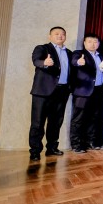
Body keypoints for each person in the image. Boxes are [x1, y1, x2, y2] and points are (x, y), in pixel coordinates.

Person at [28, 26, 73, 161]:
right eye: (56, 34)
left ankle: (52, 148)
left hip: (62, 91)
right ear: (50, 36)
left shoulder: (69, 53)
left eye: (62, 34)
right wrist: (45, 62)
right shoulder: (42, 48)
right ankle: (35, 151)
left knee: (56, 122)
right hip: (43, 92)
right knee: (38, 123)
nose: (60, 36)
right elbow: (36, 60)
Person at [69, 33, 103, 153]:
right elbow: (74, 61)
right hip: (83, 92)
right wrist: (78, 62)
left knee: (94, 118)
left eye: (95, 42)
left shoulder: (101, 56)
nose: (93, 44)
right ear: (84, 43)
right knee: (78, 119)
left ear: (98, 44)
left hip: (98, 91)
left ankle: (91, 142)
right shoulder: (79, 53)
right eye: (89, 41)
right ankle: (76, 145)